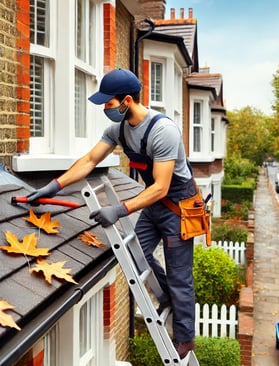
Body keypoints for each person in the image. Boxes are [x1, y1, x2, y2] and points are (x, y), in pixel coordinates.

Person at [27, 68, 196, 359]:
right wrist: (53, 186)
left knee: (180, 274)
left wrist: (118, 210)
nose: (105, 108)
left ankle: (185, 336)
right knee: (134, 254)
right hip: (154, 204)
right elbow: (90, 160)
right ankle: (168, 294)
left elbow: (161, 186)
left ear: (126, 101)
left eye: (108, 103)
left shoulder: (163, 131)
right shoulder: (117, 130)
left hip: (178, 208)